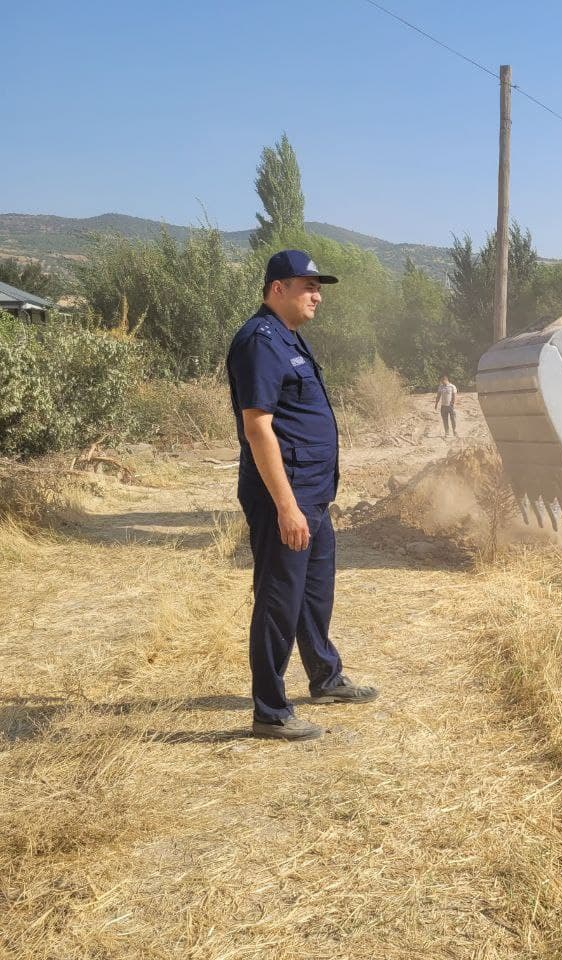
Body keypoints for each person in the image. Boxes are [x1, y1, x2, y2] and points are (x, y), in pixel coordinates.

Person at [226, 250, 378, 742]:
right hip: (284, 497)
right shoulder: (259, 342)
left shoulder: (288, 338)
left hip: (311, 494)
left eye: (319, 288)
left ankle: (325, 677)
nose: (317, 296)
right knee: (279, 599)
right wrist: (286, 507)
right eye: (308, 286)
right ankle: (270, 712)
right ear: (278, 289)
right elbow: (258, 428)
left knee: (313, 592)